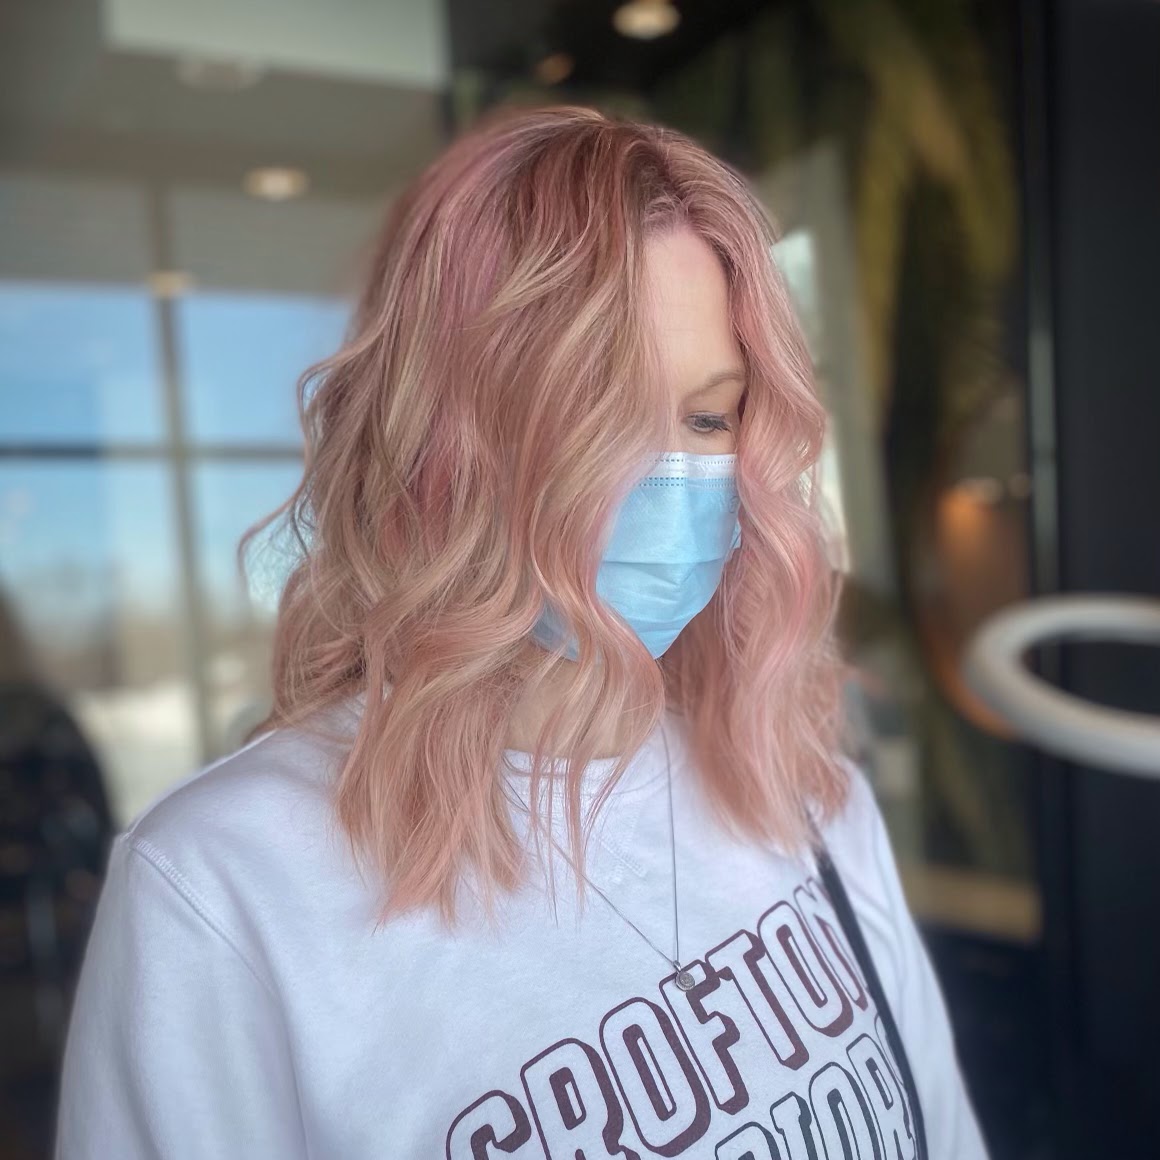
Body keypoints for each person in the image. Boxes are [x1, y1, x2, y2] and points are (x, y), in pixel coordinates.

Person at [53, 105, 988, 1159]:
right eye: (596, 413)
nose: (667, 476)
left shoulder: (800, 789)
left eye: (706, 417)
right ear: (447, 444)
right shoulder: (224, 892)